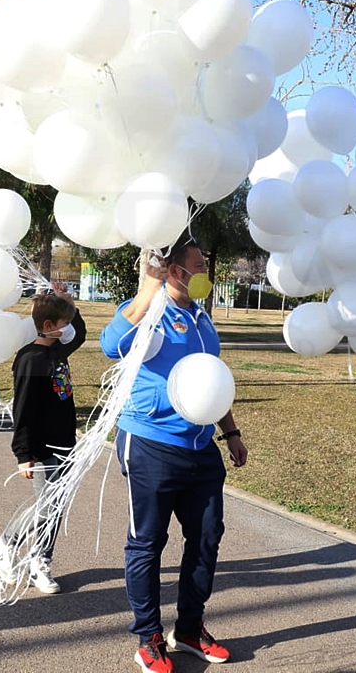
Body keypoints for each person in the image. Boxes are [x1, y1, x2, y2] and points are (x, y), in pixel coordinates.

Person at [100, 238, 247, 673]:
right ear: (176, 270)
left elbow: (210, 381)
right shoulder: (152, 309)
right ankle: (147, 636)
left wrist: (231, 430)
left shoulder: (203, 319)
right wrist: (148, 290)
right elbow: (112, 344)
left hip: (200, 447)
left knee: (206, 538)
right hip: (150, 441)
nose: (206, 272)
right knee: (147, 542)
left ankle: (188, 629)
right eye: (199, 265)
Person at [0, 286, 88, 596]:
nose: (69, 328)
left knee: (56, 507)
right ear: (49, 326)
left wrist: (69, 302)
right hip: (42, 447)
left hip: (64, 442)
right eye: (65, 322)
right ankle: (7, 542)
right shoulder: (31, 359)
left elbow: (81, 332)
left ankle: (40, 562)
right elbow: (23, 410)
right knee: (48, 505)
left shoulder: (57, 349)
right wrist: (23, 453)